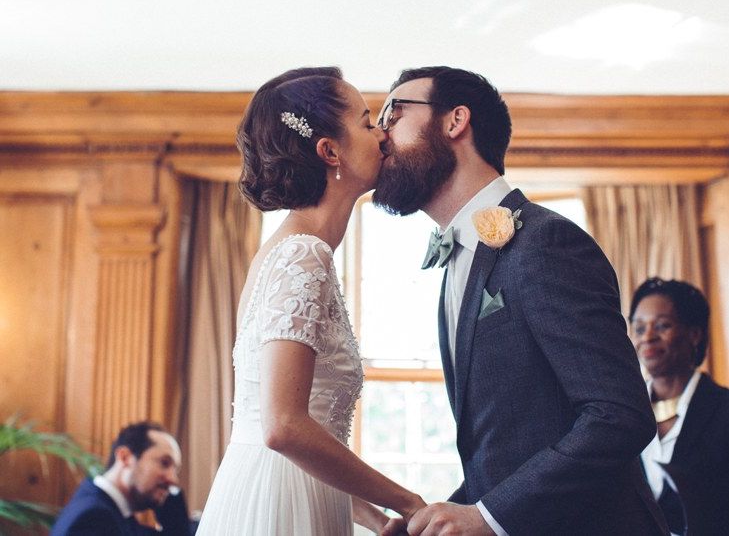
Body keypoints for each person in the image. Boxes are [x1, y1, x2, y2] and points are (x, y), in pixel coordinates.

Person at [374, 66, 668, 536]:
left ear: (455, 121)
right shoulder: (459, 260)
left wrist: (488, 518)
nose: (380, 134)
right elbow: (509, 445)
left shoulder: (546, 241)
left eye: (392, 113)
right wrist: (440, 519)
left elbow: (620, 416)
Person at [195, 67, 424, 535]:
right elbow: (282, 427)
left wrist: (376, 519)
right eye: (366, 122)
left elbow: (292, 431)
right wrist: (408, 501)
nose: (381, 134)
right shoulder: (302, 254)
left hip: (293, 494)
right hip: (276, 509)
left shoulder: (287, 251)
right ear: (329, 150)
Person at [630, 277, 729, 535]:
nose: (648, 337)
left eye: (662, 325)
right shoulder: (623, 414)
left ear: (694, 334)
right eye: (639, 329)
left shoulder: (723, 409)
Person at [51, 421, 190, 535]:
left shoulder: (113, 511)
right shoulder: (93, 517)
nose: (173, 479)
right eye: (164, 463)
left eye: (175, 470)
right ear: (125, 457)